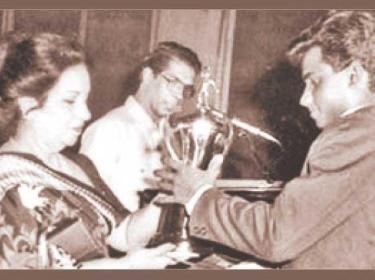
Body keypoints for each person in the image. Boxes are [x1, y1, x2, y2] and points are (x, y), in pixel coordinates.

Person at [156, 10, 375, 269]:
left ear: (354, 76)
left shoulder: (355, 135)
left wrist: (198, 195)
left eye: (315, 82)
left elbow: (276, 236)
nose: (304, 100)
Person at [0, 31, 179, 269]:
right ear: (28, 107)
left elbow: (123, 235)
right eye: (70, 101)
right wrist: (125, 267)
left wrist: (177, 192)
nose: (86, 114)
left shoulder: (80, 165)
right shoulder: (7, 179)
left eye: (85, 100)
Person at [80, 41, 201, 211]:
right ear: (147, 76)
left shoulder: (173, 139)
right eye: (173, 82)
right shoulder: (109, 129)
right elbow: (85, 204)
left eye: (186, 89)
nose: (179, 96)